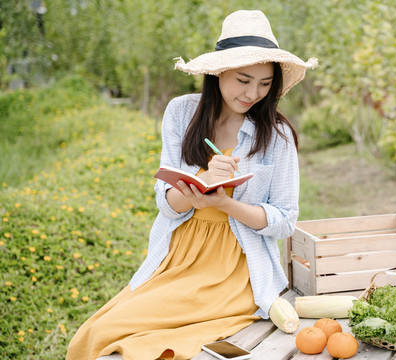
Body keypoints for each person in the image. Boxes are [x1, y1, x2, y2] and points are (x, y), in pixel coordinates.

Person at [66, 9, 317, 360]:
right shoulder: (181, 113)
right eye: (243, 80)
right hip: (178, 257)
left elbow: (284, 220)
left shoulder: (277, 135)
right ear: (218, 73)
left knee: (144, 342)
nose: (253, 93)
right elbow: (167, 204)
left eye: (264, 84)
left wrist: (224, 203)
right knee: (99, 331)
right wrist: (201, 185)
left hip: (235, 267)